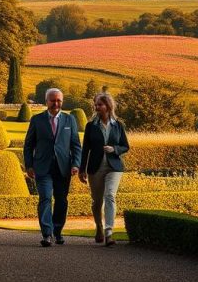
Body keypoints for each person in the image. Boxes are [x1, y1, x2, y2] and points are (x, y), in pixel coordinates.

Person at [23, 88, 82, 247]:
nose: (56, 103)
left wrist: (76, 164)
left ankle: (57, 231)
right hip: (42, 168)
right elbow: (28, 145)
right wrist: (29, 165)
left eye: (59, 101)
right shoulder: (37, 120)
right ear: (46, 101)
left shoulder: (70, 120)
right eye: (53, 100)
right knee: (46, 198)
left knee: (62, 201)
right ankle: (47, 234)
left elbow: (76, 145)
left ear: (62, 102)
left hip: (63, 169)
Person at [79, 92, 129, 247]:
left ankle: (109, 233)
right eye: (96, 104)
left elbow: (125, 146)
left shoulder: (118, 125)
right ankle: (99, 227)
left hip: (114, 167)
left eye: (99, 104)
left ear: (108, 106)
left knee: (110, 196)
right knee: (97, 201)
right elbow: (85, 148)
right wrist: (82, 170)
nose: (96, 107)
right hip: (95, 167)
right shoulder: (90, 126)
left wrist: (114, 149)